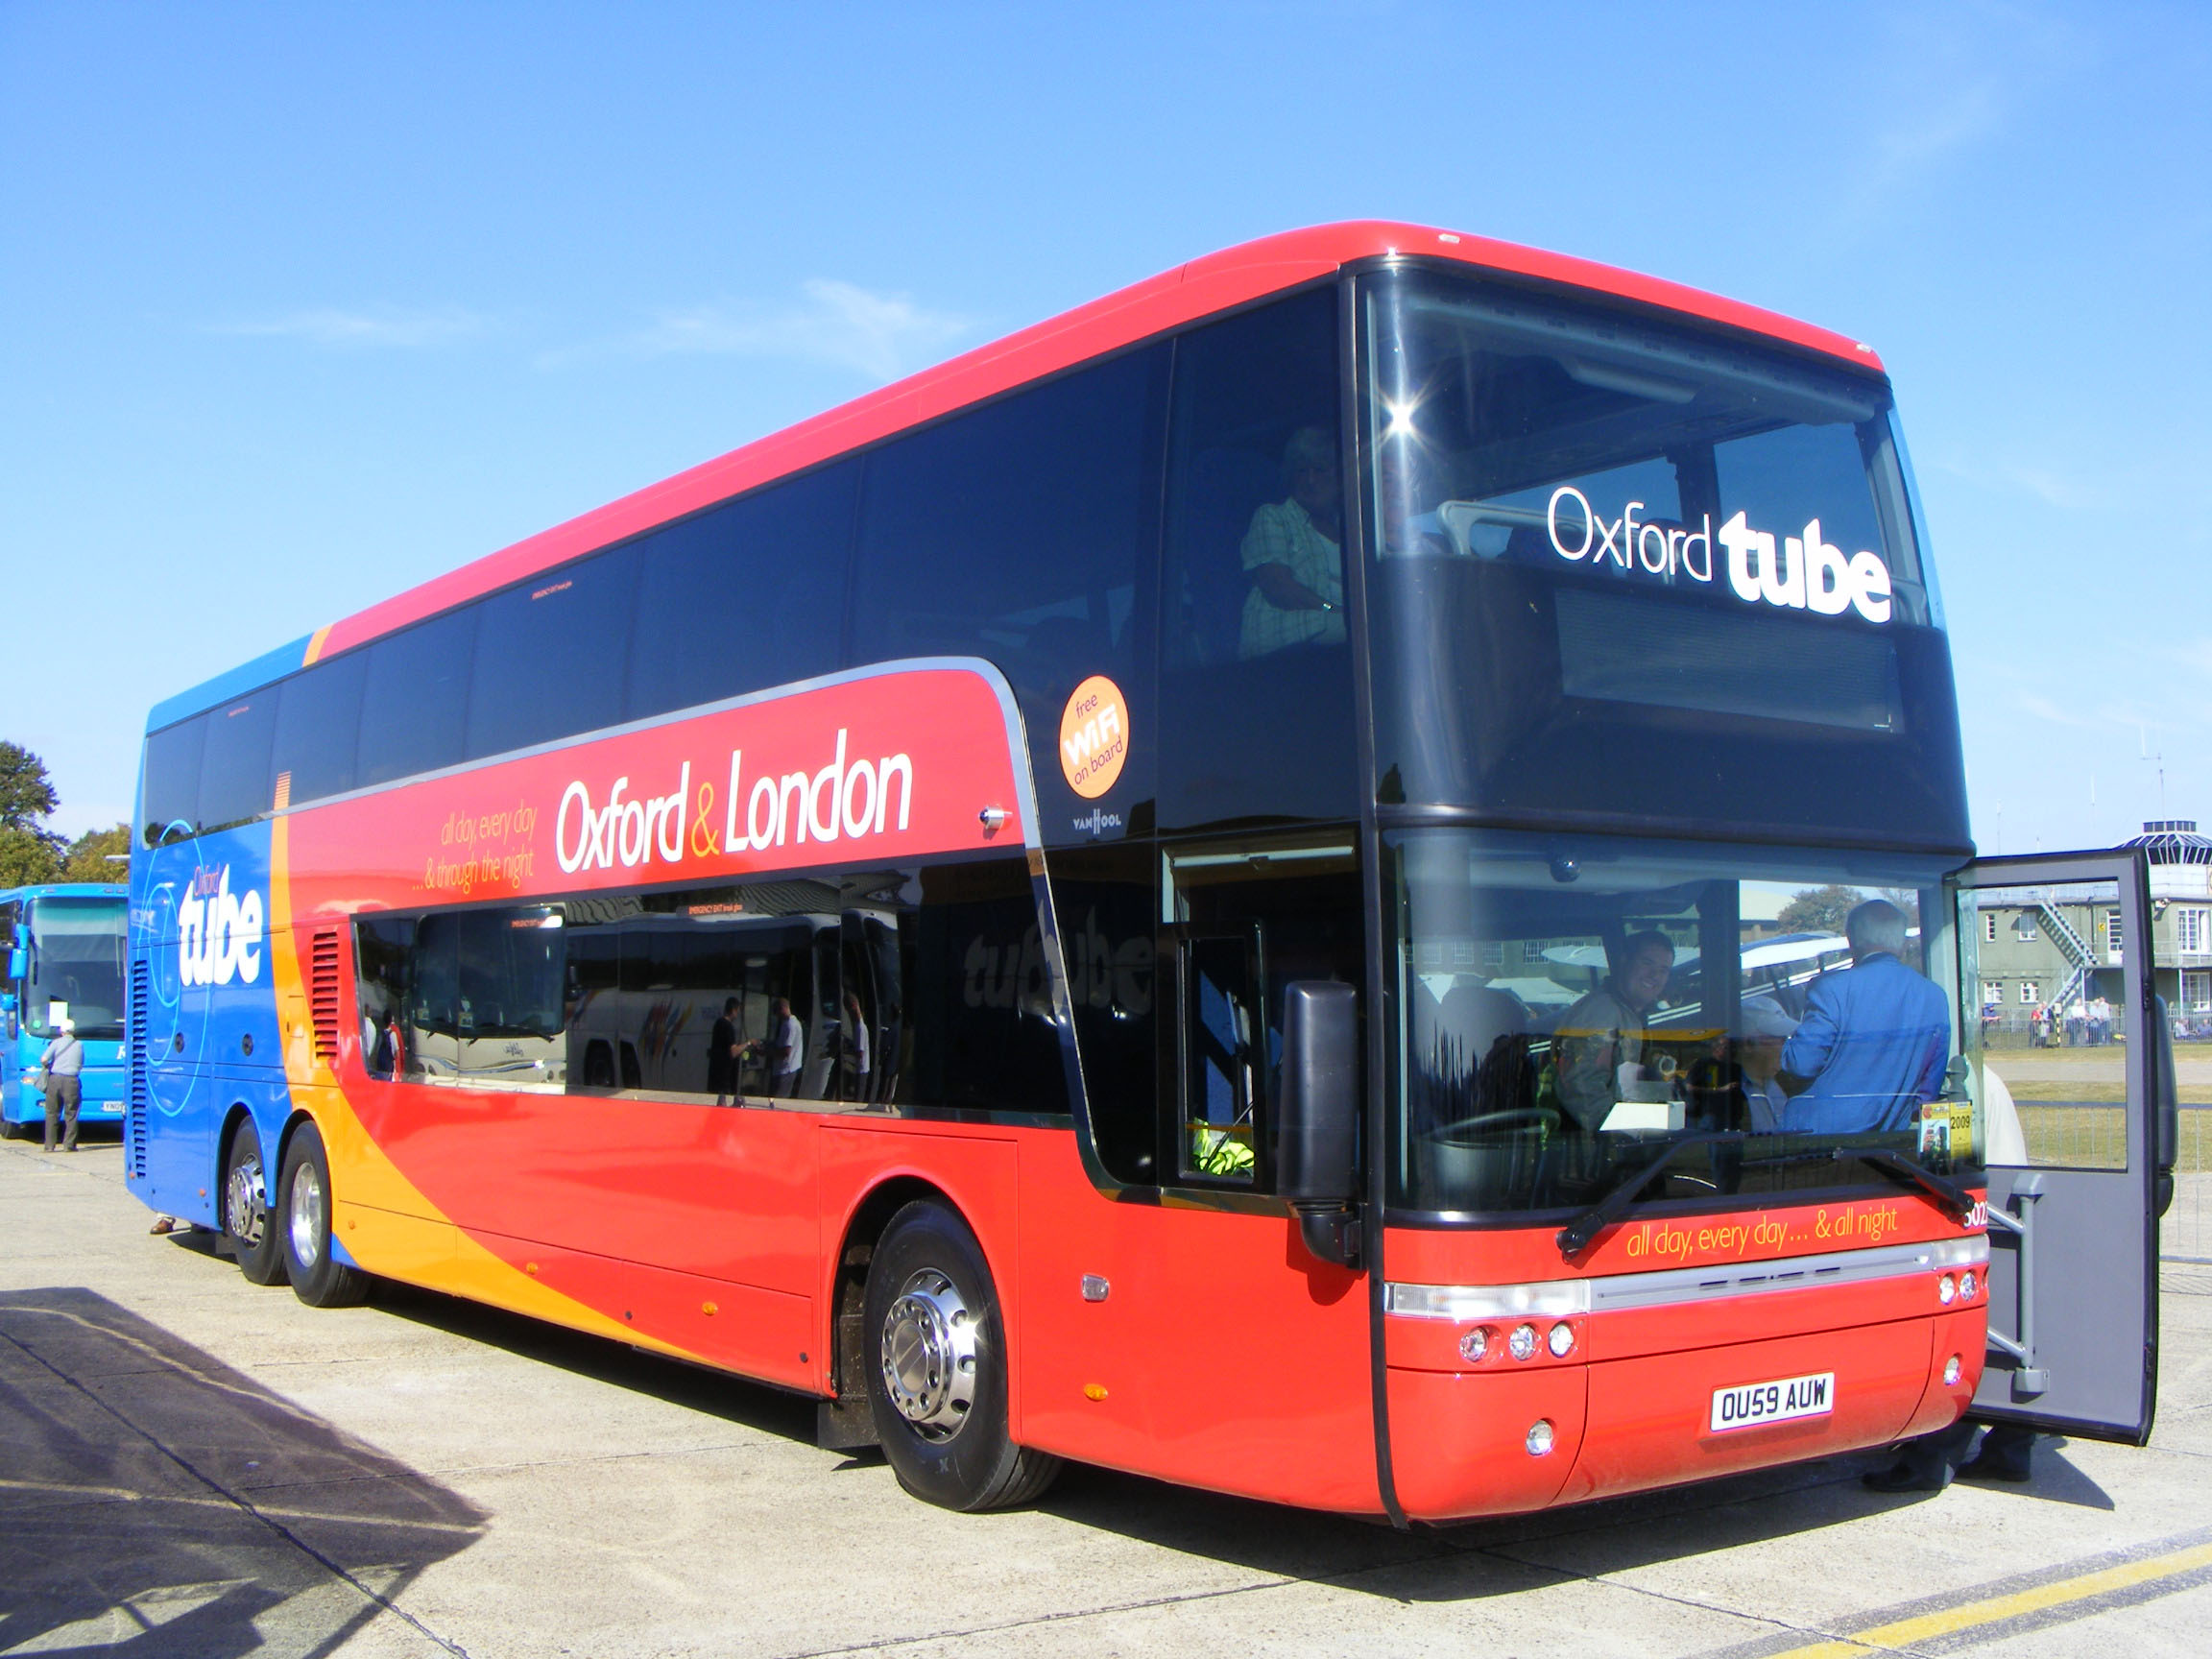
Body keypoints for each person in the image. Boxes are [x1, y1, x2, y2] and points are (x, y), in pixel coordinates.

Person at [1778, 901, 1949, 1135]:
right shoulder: (1934, 995)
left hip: (1817, 1141)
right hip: (1891, 1139)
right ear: (1902, 943)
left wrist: (1779, 1046)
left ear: (1852, 940)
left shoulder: (1830, 988)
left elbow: (1802, 1064)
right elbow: (1928, 1088)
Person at [1238, 426, 1347, 659]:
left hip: (1337, 628)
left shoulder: (1350, 529)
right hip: (1288, 636)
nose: (1310, 480)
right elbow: (1278, 587)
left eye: (1320, 470)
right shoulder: (1273, 517)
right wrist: (1333, 610)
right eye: (1301, 471)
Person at [1551, 932, 1674, 1130]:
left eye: (1663, 970)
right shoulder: (1601, 1013)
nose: (1655, 975)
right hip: (1595, 1142)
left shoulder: (1631, 1014)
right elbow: (1583, 1089)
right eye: (1647, 963)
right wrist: (1621, 1132)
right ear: (1624, 961)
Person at [1735, 997, 1797, 1134]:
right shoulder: (1729, 1096)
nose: (1786, 1048)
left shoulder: (1781, 1087)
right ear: (1749, 1044)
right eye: (1780, 1040)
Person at [38, 1016, 84, 1153]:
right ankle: (69, 1145)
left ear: (61, 1031)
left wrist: (48, 1065)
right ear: (73, 1031)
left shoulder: (56, 1043)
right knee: (71, 1113)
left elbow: (44, 1059)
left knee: (52, 1113)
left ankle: (49, 1146)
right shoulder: (79, 1045)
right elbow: (81, 1063)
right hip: (71, 1081)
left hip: (55, 1080)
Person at [765, 997, 804, 1098]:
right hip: (787, 1069)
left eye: (776, 1012)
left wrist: (766, 1053)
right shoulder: (791, 1022)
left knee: (777, 1099)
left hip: (785, 1071)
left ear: (782, 1008)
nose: (776, 1015)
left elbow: (786, 1052)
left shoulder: (790, 1025)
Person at [708, 997, 743, 1105]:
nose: (737, 1014)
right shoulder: (728, 1026)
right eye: (737, 1011)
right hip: (725, 1077)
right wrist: (749, 1043)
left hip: (715, 1074)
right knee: (723, 1106)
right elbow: (733, 1052)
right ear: (733, 1010)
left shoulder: (718, 1023)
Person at [842, 992, 871, 1102]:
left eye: (848, 1010)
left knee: (858, 1099)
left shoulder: (860, 1028)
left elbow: (860, 1053)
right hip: (861, 1068)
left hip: (861, 1069)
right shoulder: (860, 1026)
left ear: (853, 1007)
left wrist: (847, 1051)